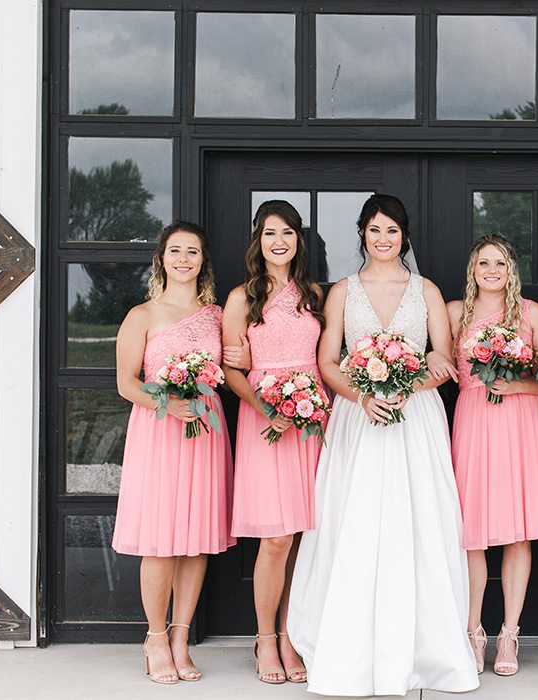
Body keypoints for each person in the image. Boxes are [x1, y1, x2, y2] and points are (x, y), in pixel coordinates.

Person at [287, 194, 479, 696]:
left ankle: (425, 647)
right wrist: (364, 396)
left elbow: (443, 356)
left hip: (415, 418)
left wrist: (406, 388)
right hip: (360, 417)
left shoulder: (427, 290)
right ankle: (349, 644)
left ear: (404, 236)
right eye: (375, 230)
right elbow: (329, 361)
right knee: (358, 522)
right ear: (363, 234)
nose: (383, 239)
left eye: (392, 230)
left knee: (418, 523)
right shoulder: (342, 293)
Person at [112, 221, 235, 684]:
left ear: (203, 261)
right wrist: (170, 402)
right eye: (176, 251)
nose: (184, 259)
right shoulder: (142, 315)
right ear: (162, 258)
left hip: (205, 431)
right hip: (159, 431)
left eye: (193, 252)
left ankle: (182, 638)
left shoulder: (217, 315)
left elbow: (234, 360)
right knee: (162, 542)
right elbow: (126, 384)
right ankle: (156, 637)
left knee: (196, 540)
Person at [222, 200, 325, 684]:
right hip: (264, 421)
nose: (278, 241)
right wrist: (268, 408)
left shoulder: (315, 295)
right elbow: (230, 369)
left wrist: (306, 405)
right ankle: (265, 639)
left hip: (310, 419)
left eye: (286, 232)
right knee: (276, 537)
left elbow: (326, 356)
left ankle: (292, 636)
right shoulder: (243, 297)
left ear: (298, 240)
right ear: (257, 241)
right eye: (269, 233)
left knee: (306, 536)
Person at [447, 235, 538, 676]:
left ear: (512, 269)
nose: (491, 270)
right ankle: (473, 630)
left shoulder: (531, 314)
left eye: (500, 263)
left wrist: (519, 384)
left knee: (518, 532)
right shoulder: (456, 313)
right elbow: (437, 359)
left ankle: (510, 633)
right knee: (471, 532)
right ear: (472, 269)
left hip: (520, 422)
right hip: (473, 421)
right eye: (483, 262)